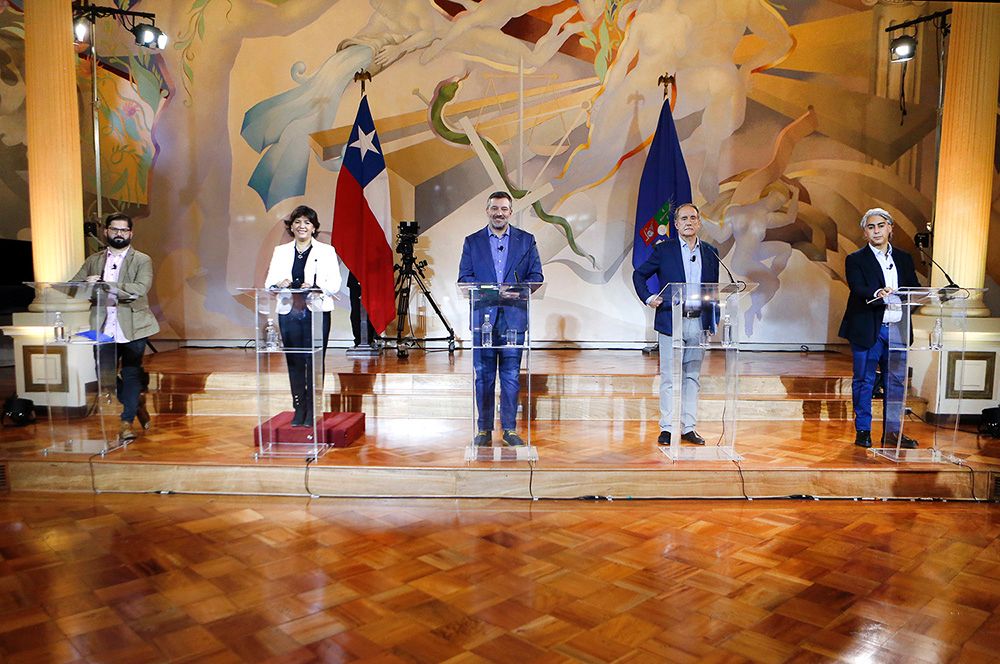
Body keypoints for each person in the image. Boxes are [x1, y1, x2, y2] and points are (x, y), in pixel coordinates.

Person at [458, 191, 543, 447]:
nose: (499, 213)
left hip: (513, 319)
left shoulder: (526, 241)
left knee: (511, 375)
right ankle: (484, 429)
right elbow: (465, 278)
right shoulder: (472, 242)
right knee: (483, 376)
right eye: (495, 208)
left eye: (504, 209)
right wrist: (489, 291)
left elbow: (536, 276)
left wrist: (514, 290)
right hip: (483, 319)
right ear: (487, 211)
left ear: (510, 212)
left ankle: (509, 429)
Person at [632, 203, 720, 446]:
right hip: (672, 321)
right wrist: (649, 298)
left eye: (693, 217)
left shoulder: (711, 252)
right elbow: (639, 274)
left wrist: (712, 321)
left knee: (692, 377)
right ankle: (668, 428)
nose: (689, 222)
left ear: (699, 222)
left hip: (699, 323)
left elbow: (713, 289)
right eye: (684, 218)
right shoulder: (664, 250)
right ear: (676, 224)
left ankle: (688, 427)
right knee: (670, 377)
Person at [72, 212, 159, 442]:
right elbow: (73, 285)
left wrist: (107, 286)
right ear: (106, 231)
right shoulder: (94, 260)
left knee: (131, 372)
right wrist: (86, 283)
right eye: (114, 229)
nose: (119, 234)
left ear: (131, 233)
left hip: (133, 325)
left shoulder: (142, 259)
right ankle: (135, 402)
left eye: (123, 230)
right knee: (104, 375)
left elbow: (140, 288)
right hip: (102, 326)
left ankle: (126, 422)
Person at [839, 208, 920, 449]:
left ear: (890, 228)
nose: (876, 231)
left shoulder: (904, 258)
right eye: (871, 227)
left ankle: (892, 433)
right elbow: (857, 287)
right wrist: (878, 292)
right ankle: (863, 430)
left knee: (895, 384)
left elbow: (914, 287)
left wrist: (912, 295)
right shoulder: (856, 259)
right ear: (865, 233)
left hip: (897, 329)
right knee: (864, 381)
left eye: (881, 226)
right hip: (868, 328)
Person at [264, 205, 343, 426]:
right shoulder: (281, 251)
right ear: (291, 227)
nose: (302, 226)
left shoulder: (326, 251)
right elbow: (268, 283)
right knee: (294, 361)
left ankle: (313, 408)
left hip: (316, 312)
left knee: (314, 361)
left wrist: (315, 286)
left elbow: (335, 284)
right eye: (297, 222)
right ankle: (299, 407)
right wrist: (278, 283)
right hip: (289, 312)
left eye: (307, 223)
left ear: (314, 228)